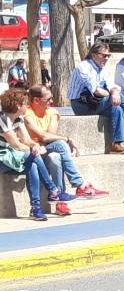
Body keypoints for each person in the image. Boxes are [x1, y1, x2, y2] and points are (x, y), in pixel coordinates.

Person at [0, 89, 76, 220]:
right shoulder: (2, 119)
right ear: (18, 105)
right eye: (25, 104)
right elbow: (16, 145)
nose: (27, 106)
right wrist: (34, 150)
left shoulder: (18, 118)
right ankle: (53, 191)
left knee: (33, 165)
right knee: (32, 156)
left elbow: (26, 140)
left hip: (13, 156)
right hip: (3, 158)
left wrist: (34, 146)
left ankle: (36, 208)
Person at [24, 85, 109, 201]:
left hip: (46, 149)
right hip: (32, 153)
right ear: (36, 100)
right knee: (61, 144)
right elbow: (44, 137)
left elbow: (49, 137)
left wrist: (55, 139)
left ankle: (59, 197)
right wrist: (67, 139)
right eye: (48, 99)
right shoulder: (27, 114)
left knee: (55, 157)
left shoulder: (52, 113)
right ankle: (80, 184)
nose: (52, 101)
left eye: (51, 98)